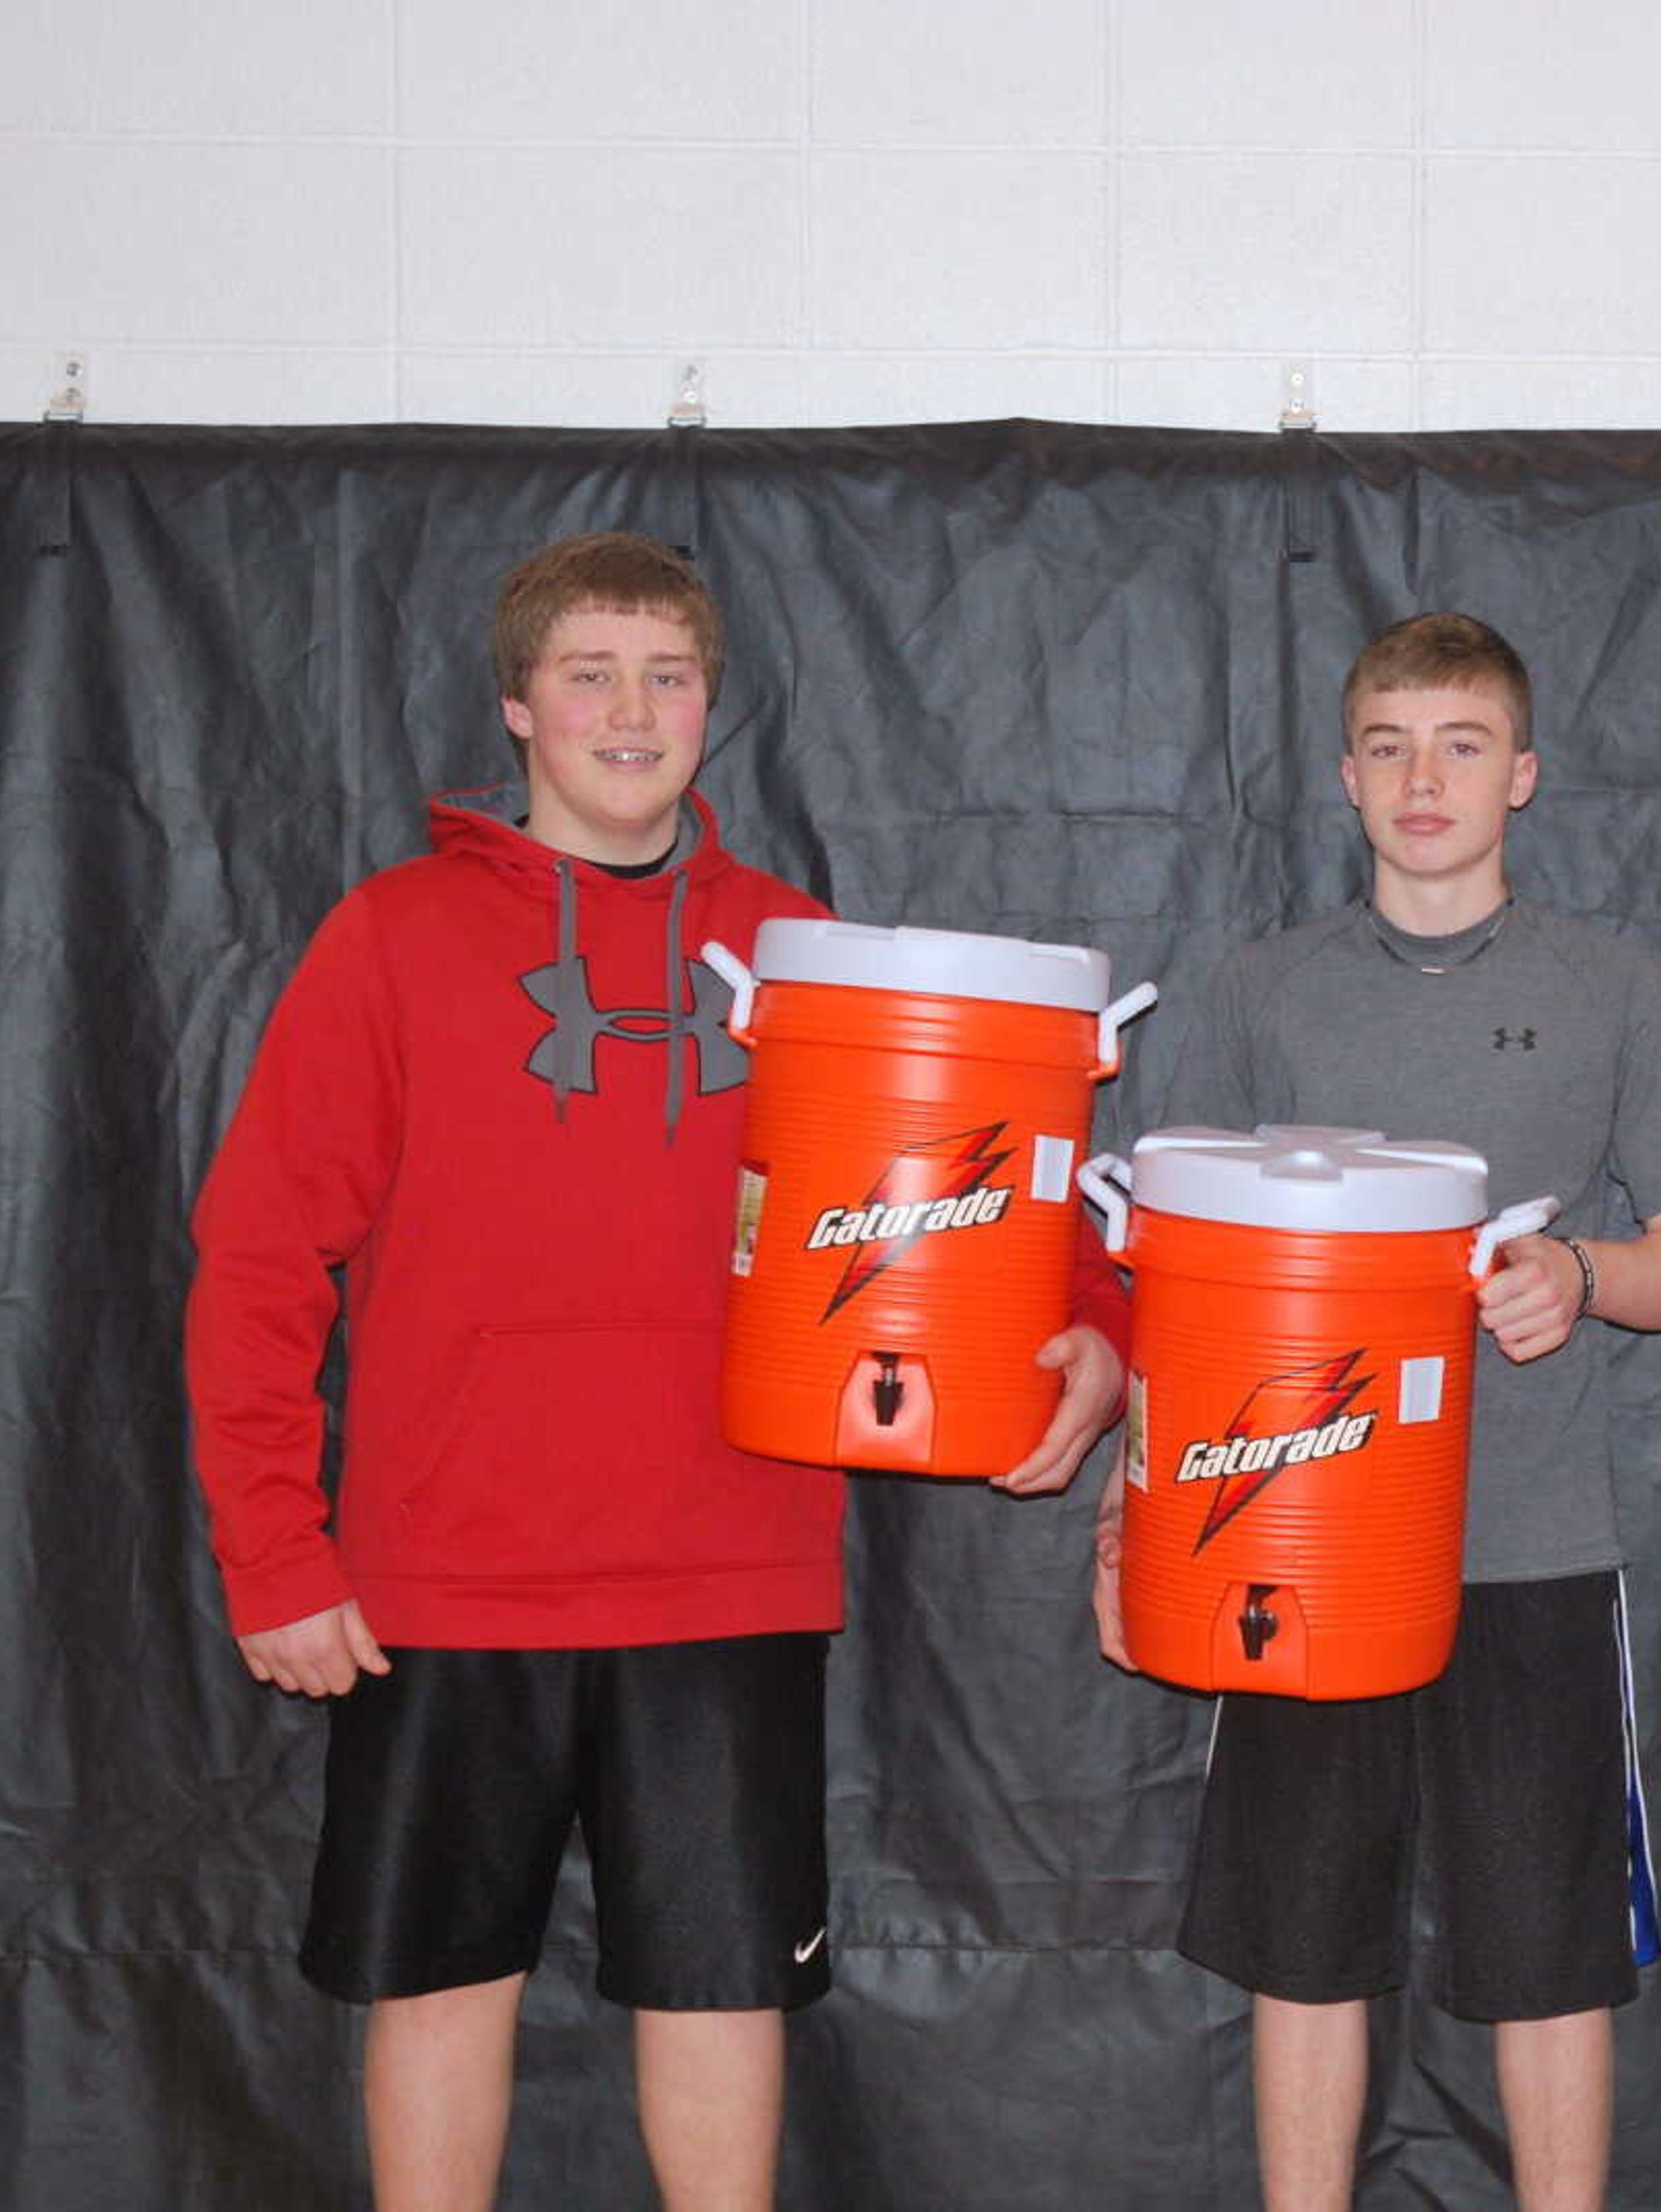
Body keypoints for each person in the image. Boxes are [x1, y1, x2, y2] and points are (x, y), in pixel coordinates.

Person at [184, 530, 1124, 2210]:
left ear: (712, 706)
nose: (634, 709)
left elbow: (978, 1168)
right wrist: (274, 1544)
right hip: (443, 1582)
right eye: (591, 672)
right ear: (519, 709)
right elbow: (259, 1260)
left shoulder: (800, 949)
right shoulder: (390, 942)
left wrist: (1097, 1337)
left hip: (726, 1571)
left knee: (721, 1995)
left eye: (668, 673)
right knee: (436, 1993)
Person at [1091, 612, 1661, 2212]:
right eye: (1389, 745)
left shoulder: (1609, 986)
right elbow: (1172, 1290)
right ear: (1345, 776)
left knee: (1548, 1950)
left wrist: (1579, 1277)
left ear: (1521, 775)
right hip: (1289, 1537)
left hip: (1525, 1545)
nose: (1423, 778)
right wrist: (1133, 1528)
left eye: (1461, 744)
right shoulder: (1260, 992)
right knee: (1303, 1943)